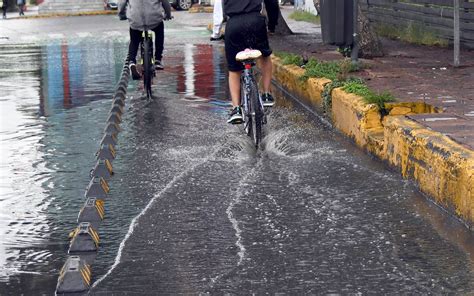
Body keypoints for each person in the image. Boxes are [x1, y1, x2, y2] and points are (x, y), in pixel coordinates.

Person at [223, 0, 277, 124]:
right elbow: (272, 3)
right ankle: (266, 93)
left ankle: (236, 109)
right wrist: (272, 25)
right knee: (265, 56)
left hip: (234, 23)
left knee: (234, 69)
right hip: (256, 21)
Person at [118, 0, 172, 80]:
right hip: (154, 19)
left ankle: (132, 62)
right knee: (159, 31)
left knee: (134, 40)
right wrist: (168, 14)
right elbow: (165, 2)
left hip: (136, 19)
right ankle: (157, 59)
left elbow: (121, 3)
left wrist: (121, 13)